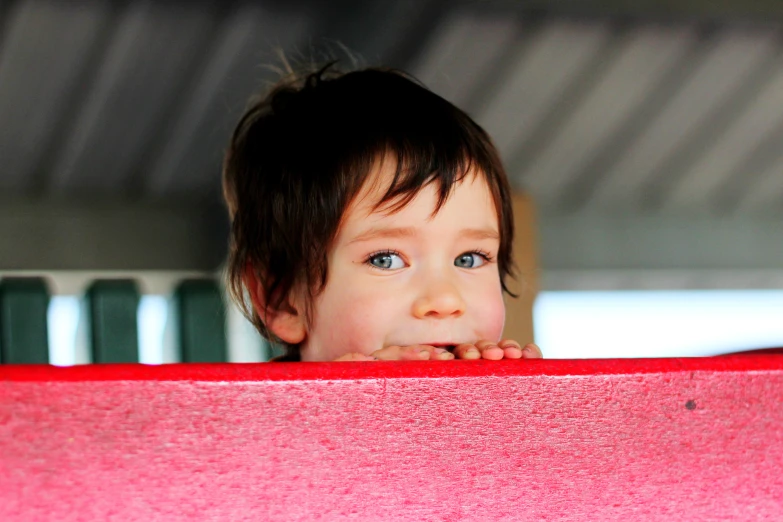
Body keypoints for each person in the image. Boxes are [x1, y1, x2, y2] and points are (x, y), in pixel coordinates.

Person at [222, 63, 542, 362]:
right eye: (385, 259)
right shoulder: (253, 419)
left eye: (469, 258)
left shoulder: (495, 405)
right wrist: (352, 408)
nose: (445, 301)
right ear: (282, 301)